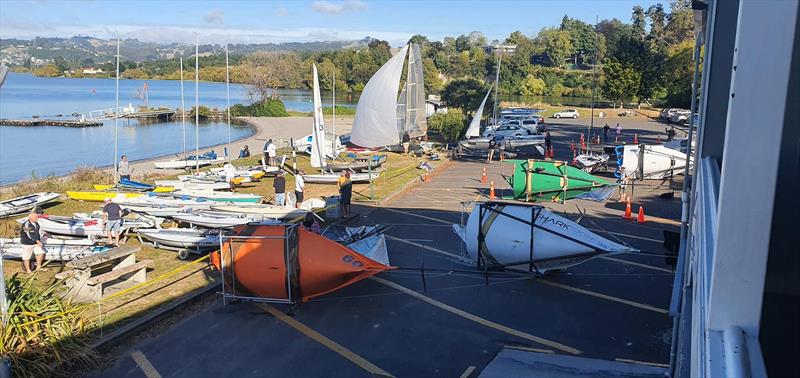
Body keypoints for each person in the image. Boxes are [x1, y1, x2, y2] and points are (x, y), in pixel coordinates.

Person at [19, 209, 45, 273]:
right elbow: (29, 234)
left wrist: (40, 238)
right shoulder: (26, 224)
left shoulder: (36, 224)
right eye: (35, 217)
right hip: (27, 243)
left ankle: (38, 267)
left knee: (41, 252)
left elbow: (37, 233)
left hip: (35, 242)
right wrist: (38, 241)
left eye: (37, 217)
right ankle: (28, 270)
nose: (36, 218)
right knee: (26, 257)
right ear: (30, 216)